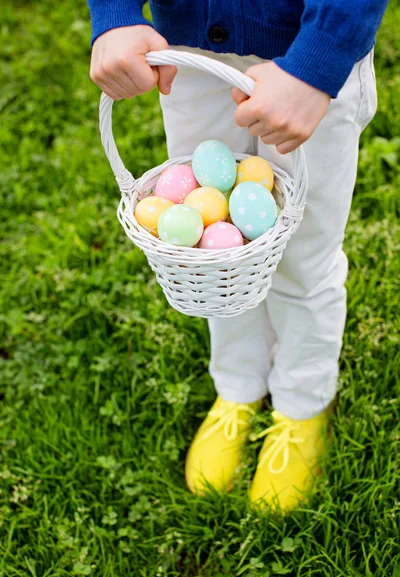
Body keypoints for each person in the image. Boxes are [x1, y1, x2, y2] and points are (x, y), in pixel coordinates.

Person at [87, 0, 388, 511]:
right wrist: (113, 15)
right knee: (217, 253)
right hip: (190, 45)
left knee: (304, 250)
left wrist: (320, 61)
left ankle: (303, 398)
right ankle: (239, 383)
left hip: (307, 57)